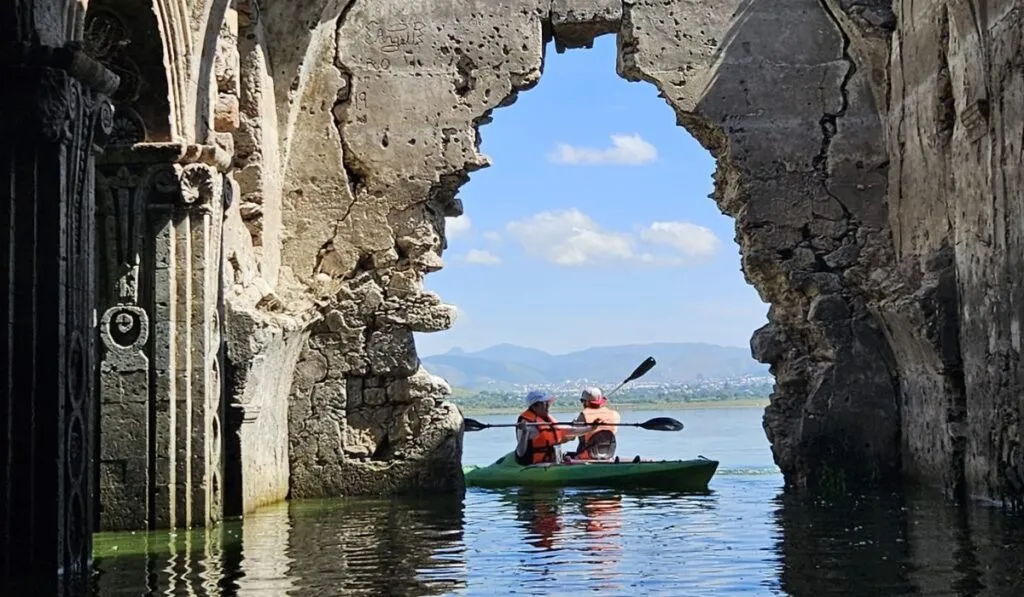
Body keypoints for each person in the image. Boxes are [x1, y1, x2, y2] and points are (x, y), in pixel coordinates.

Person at [514, 390, 588, 465]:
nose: (548, 406)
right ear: (534, 406)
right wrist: (524, 432)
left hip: (550, 460)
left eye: (548, 403)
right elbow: (520, 453)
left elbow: (570, 432)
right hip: (534, 463)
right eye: (545, 404)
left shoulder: (547, 419)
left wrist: (592, 428)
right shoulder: (526, 423)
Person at [566, 387, 621, 461]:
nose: (582, 403)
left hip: (587, 456)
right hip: (609, 455)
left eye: (582, 401)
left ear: (587, 402)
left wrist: (574, 426)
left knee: (566, 456)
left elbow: (571, 437)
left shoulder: (583, 415)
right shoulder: (615, 414)